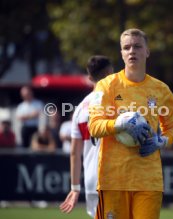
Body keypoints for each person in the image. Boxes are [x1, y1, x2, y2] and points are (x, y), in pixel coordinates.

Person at [88, 29, 173, 219]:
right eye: (126, 47)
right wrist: (120, 124)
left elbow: (171, 129)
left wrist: (162, 141)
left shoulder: (161, 90)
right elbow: (94, 126)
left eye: (137, 46)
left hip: (148, 181)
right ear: (121, 53)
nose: (132, 51)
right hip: (113, 181)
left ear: (147, 51)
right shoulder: (105, 86)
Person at [60, 55, 113, 218]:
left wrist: (75, 187)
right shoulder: (116, 102)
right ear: (111, 73)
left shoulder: (80, 109)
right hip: (115, 177)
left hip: (91, 180)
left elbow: (75, 153)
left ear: (89, 77)